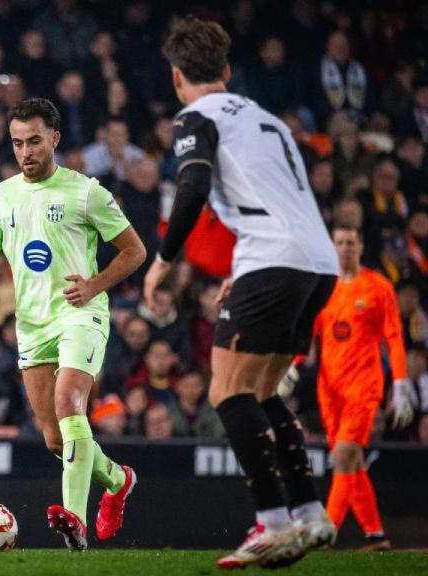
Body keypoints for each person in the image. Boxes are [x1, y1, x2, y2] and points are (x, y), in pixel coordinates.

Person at [142, 17, 339, 569]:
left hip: (274, 260)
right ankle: (310, 513)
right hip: (316, 262)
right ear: (226, 72)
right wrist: (250, 267)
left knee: (228, 394)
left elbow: (193, 184)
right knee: (263, 388)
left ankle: (272, 523)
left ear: (178, 77)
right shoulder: (265, 117)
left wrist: (162, 262)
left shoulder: (195, 116)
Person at [0, 97, 146, 550]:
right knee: (55, 438)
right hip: (32, 326)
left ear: (54, 139)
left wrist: (94, 285)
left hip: (80, 312)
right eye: (17, 143)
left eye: (34, 141)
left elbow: (135, 251)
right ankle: (117, 481)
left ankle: (76, 524)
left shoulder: (87, 192)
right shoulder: (0, 197)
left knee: (72, 401)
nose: (25, 152)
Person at [293, 226, 415, 551]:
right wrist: (291, 366)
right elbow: (309, 333)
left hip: (364, 385)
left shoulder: (378, 286)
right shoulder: (326, 287)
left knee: (344, 455)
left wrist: (400, 382)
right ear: (332, 246)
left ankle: (325, 532)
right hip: (329, 389)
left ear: (360, 246)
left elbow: (394, 336)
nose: (345, 248)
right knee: (353, 463)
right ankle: (376, 535)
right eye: (340, 242)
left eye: (351, 242)